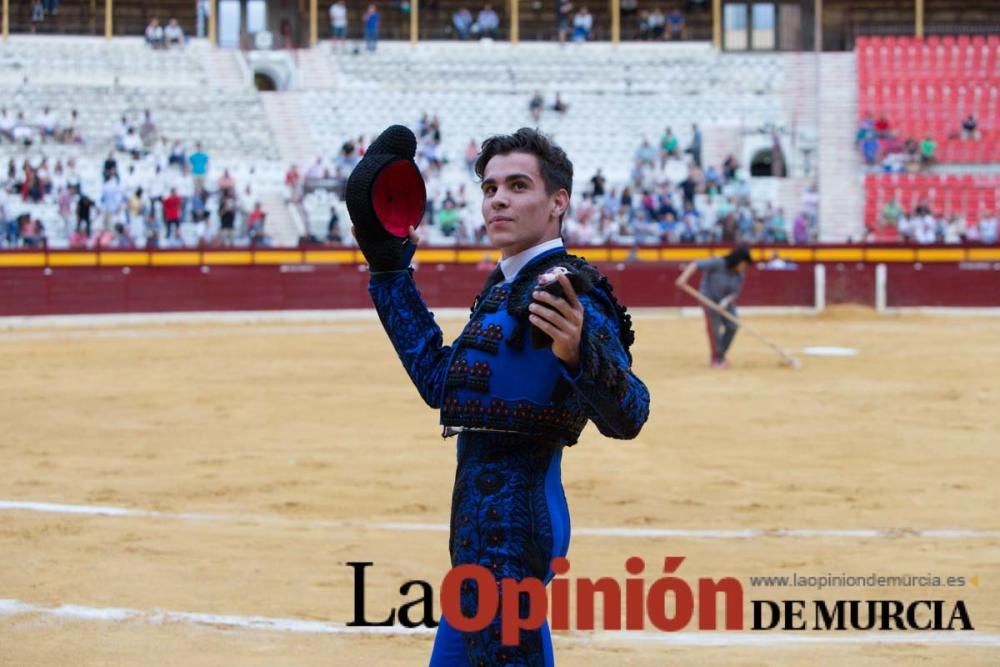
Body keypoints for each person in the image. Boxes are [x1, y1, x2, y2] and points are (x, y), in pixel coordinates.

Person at [346, 126, 649, 665]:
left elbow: (631, 412)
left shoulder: (570, 289)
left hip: (514, 528)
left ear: (558, 203)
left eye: (516, 185)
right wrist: (390, 271)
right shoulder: (503, 289)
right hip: (477, 528)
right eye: (489, 189)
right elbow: (440, 385)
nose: (498, 199)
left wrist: (583, 355)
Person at [675, 245, 752, 368]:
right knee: (714, 329)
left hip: (725, 302)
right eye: (744, 264)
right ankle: (717, 358)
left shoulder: (740, 274)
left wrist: (724, 303)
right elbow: (696, 264)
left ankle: (720, 354)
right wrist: (683, 278)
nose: (744, 268)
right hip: (708, 299)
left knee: (733, 326)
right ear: (737, 260)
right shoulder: (718, 262)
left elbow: (734, 293)